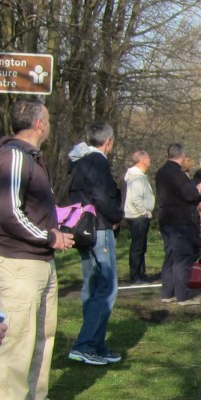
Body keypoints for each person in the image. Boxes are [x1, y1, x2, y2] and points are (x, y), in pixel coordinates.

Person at [0, 99, 76, 400]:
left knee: (44, 334)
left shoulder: (33, 159)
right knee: (17, 339)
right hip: (18, 262)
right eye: (49, 118)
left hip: (41, 261)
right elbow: (8, 213)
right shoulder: (12, 157)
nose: (50, 124)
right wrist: (49, 237)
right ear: (39, 123)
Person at [66, 122, 126, 365]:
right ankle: (85, 344)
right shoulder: (98, 161)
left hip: (84, 228)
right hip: (99, 227)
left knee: (91, 288)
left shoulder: (79, 161)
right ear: (108, 141)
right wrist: (116, 217)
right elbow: (102, 195)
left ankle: (96, 345)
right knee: (107, 288)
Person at [157, 143, 201, 304]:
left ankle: (167, 293)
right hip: (180, 221)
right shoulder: (177, 173)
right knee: (182, 258)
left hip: (165, 218)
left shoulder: (161, 172)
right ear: (181, 155)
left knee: (170, 257)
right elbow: (189, 195)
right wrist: (198, 190)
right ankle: (182, 295)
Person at [123, 149, 155, 282]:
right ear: (142, 160)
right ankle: (135, 275)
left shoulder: (140, 175)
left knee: (141, 246)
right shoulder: (136, 177)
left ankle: (140, 273)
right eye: (148, 158)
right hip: (138, 216)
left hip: (139, 215)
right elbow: (136, 198)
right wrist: (144, 212)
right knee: (138, 246)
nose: (150, 160)